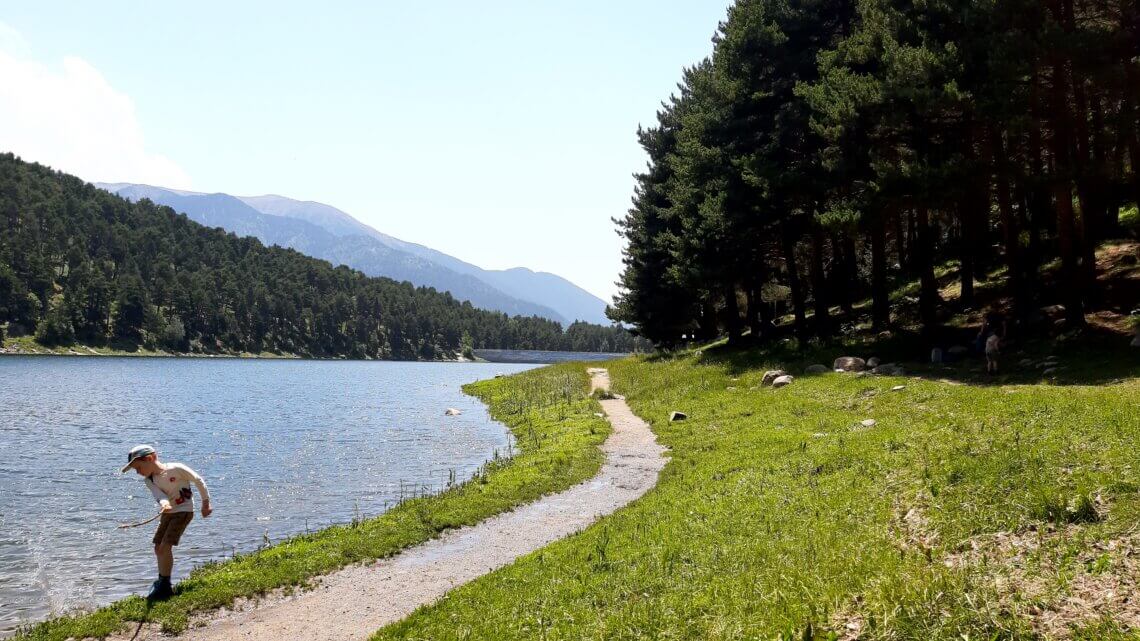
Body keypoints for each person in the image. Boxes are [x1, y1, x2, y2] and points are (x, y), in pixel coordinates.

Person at [121, 444, 212, 601]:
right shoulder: (149, 480)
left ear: (150, 458)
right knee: (158, 547)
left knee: (165, 546)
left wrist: (205, 504)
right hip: (168, 513)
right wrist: (164, 503)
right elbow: (159, 495)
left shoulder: (176, 468)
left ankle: (165, 585)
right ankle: (162, 580)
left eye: (138, 467)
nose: (138, 472)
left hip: (183, 512)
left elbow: (198, 480)